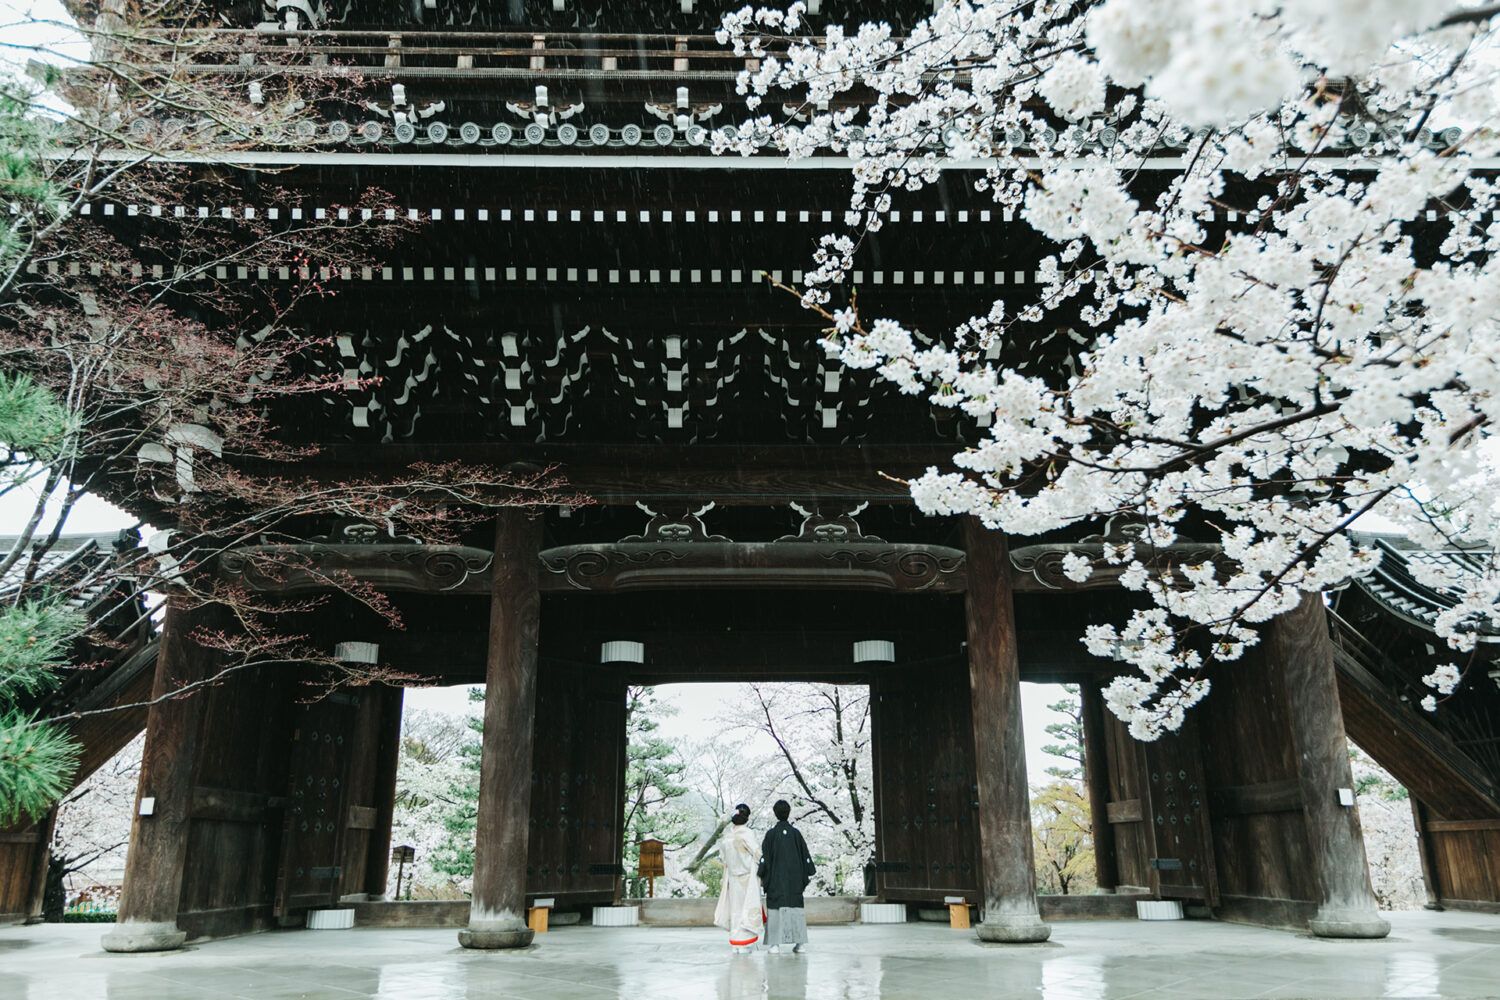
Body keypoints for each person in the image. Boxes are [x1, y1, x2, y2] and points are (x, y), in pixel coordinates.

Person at [758, 799, 816, 954]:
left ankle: (774, 945)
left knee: (775, 909)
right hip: (795, 880)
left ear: (775, 813)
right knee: (796, 909)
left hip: (776, 880)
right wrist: (808, 871)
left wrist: (761, 873)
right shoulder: (796, 834)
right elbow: (806, 856)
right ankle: (800, 944)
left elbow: (765, 857)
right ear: (788, 813)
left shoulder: (770, 834)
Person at [712, 803, 763, 953]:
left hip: (733, 877)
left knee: (735, 909)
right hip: (746, 876)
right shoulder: (747, 834)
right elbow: (757, 854)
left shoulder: (728, 836)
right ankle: (744, 944)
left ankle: (735, 942)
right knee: (746, 908)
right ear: (746, 818)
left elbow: (723, 858)